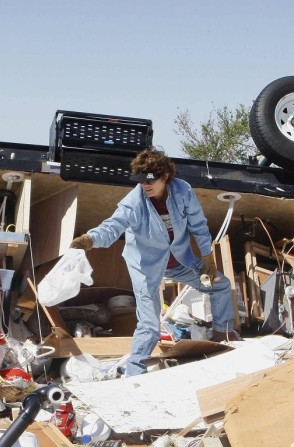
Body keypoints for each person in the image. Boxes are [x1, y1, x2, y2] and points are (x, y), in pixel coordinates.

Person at [69, 148, 239, 376]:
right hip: (145, 266)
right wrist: (90, 239)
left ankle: (221, 335)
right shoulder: (133, 203)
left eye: (150, 181)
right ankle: (134, 371)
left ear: (165, 176)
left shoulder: (182, 191)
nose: (145, 186)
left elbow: (198, 224)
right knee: (149, 325)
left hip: (180, 260)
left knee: (220, 285)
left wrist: (207, 255)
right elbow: (112, 227)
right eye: (140, 181)